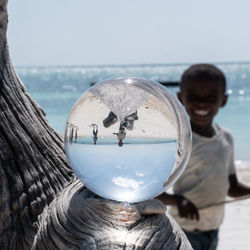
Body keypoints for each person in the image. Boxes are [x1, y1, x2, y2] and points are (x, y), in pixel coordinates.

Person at [156, 63, 250, 250]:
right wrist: (178, 201)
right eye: (194, 97)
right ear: (181, 98)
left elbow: (232, 188)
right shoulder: (178, 141)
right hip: (185, 230)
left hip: (213, 229)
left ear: (223, 100)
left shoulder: (227, 137)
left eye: (210, 97)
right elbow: (154, 191)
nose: (202, 103)